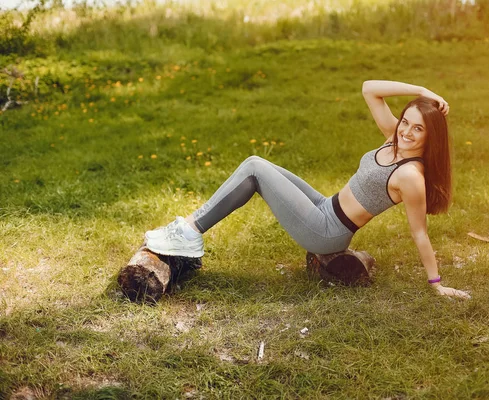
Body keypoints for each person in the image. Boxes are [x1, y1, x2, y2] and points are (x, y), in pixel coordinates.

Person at [145, 80, 471, 299]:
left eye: (419, 128)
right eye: (406, 122)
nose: (407, 131)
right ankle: (189, 230)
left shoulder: (411, 175)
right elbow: (369, 88)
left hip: (327, 232)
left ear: (431, 138)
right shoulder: (394, 139)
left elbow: (420, 233)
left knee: (255, 169)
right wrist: (424, 91)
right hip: (325, 206)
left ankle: (189, 231)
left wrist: (436, 284)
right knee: (257, 161)